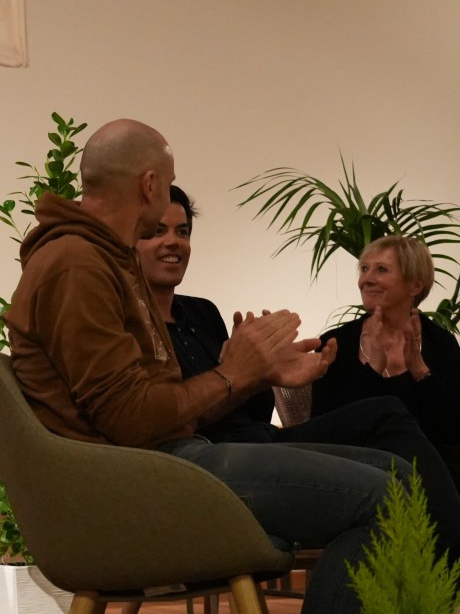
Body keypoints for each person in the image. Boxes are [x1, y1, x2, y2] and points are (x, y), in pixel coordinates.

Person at [4, 118, 416, 613]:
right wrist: (233, 373)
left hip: (163, 461)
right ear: (150, 185)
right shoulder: (77, 264)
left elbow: (150, 408)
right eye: (168, 185)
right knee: (386, 499)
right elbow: (132, 420)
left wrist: (254, 375)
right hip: (133, 483)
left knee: (401, 477)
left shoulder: (104, 259)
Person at [135, 185, 460, 563]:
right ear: (130, 242)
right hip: (209, 458)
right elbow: (163, 418)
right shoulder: (129, 321)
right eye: (157, 231)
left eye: (182, 231)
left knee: (389, 425)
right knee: (389, 476)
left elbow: (247, 414)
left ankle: (444, 558)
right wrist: (238, 373)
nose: (173, 242)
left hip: (259, 439)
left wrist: (263, 377)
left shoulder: (202, 312)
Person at [311, 235, 460, 485]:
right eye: (364, 269)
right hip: (353, 476)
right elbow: (322, 429)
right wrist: (372, 371)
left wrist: (420, 371)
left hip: (433, 478)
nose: (366, 279)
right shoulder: (336, 342)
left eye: (381, 270)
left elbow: (455, 429)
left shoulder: (440, 343)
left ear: (414, 286)